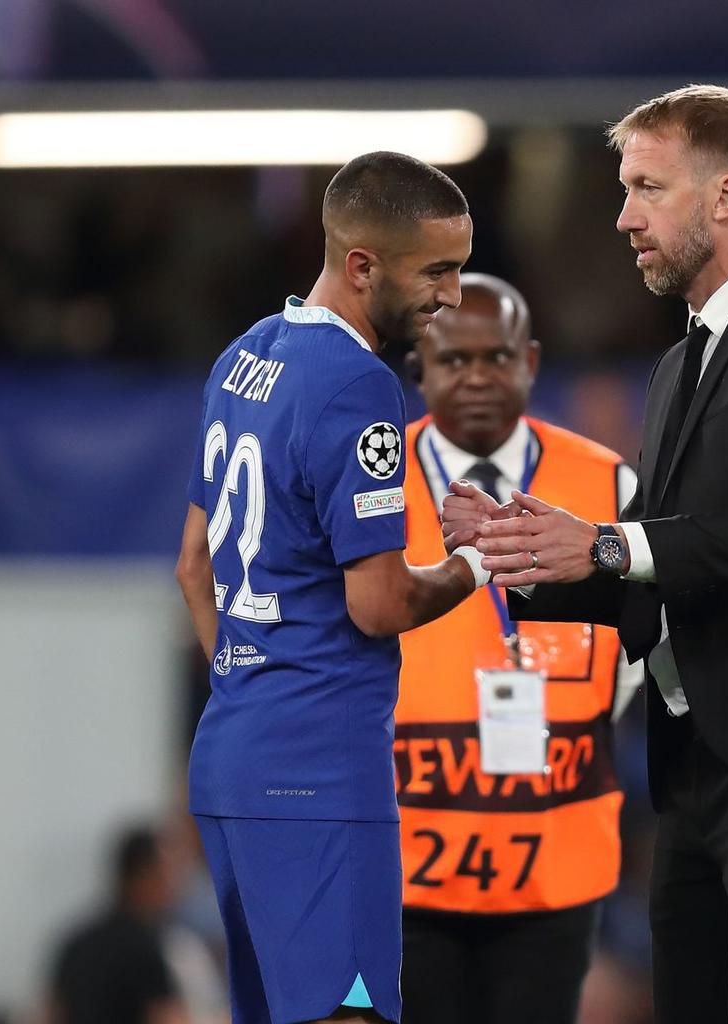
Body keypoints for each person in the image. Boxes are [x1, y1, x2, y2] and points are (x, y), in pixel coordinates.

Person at [442, 85, 728, 1024]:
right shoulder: (674, 367)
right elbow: (658, 579)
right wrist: (531, 557)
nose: (623, 217)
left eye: (648, 188)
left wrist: (607, 540)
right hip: (696, 760)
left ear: (725, 197)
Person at [174, 151, 494, 1024]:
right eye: (437, 269)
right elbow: (380, 603)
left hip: (233, 760)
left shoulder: (243, 357)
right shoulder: (358, 384)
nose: (453, 295)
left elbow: (193, 567)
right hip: (318, 773)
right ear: (362, 266)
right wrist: (479, 563)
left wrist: (257, 686)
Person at [394, 273, 643, 1024]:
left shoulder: (608, 480)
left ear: (531, 361)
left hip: (555, 857)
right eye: (454, 360)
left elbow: (645, 631)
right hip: (407, 861)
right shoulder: (369, 483)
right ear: (419, 367)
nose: (477, 377)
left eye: (496, 358)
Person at [45, 825, 188, 1024]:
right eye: (169, 872)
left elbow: (50, 1014)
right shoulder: (145, 949)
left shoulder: (75, 944)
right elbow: (168, 1019)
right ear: (144, 875)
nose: (176, 884)